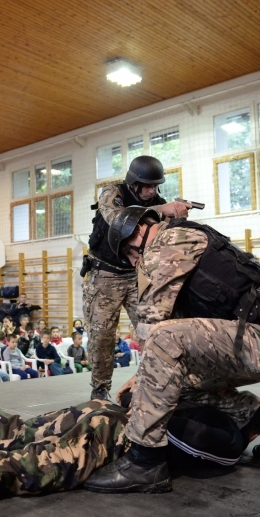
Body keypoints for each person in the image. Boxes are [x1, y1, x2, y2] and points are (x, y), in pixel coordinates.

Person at [84, 206, 260, 493]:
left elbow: (151, 323)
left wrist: (143, 377)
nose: (134, 261)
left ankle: (145, 461)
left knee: (162, 342)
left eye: (130, 254)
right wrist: (148, 379)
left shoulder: (167, 243)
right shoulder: (186, 236)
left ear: (136, 233)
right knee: (173, 384)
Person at [0, 390, 260, 513]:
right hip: (112, 435)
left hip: (105, 408)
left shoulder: (217, 397)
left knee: (18, 430)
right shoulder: (229, 443)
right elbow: (200, 455)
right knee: (27, 467)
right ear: (254, 432)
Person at [82, 156, 191, 401]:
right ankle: (100, 389)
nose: (152, 191)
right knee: (102, 337)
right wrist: (162, 210)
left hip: (137, 277)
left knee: (152, 332)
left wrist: (177, 215)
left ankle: (155, 382)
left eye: (155, 186)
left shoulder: (158, 202)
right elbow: (119, 220)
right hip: (104, 276)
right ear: (133, 183)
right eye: (147, 186)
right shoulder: (112, 194)